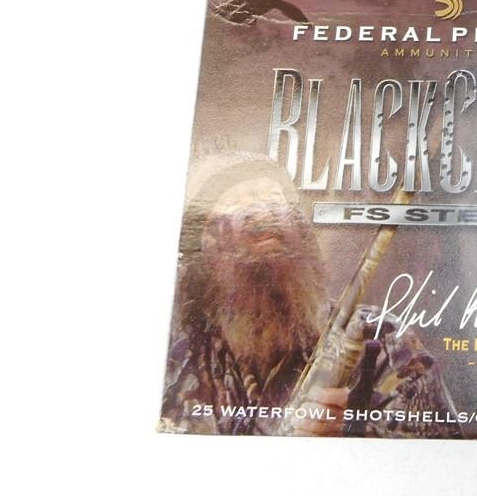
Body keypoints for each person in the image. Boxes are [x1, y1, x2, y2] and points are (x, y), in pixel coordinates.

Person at [159, 154, 457, 437]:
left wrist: (353, 435)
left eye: (273, 200)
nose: (262, 213)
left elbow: (441, 449)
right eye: (237, 204)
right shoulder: (182, 356)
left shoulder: (382, 342)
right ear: (206, 250)